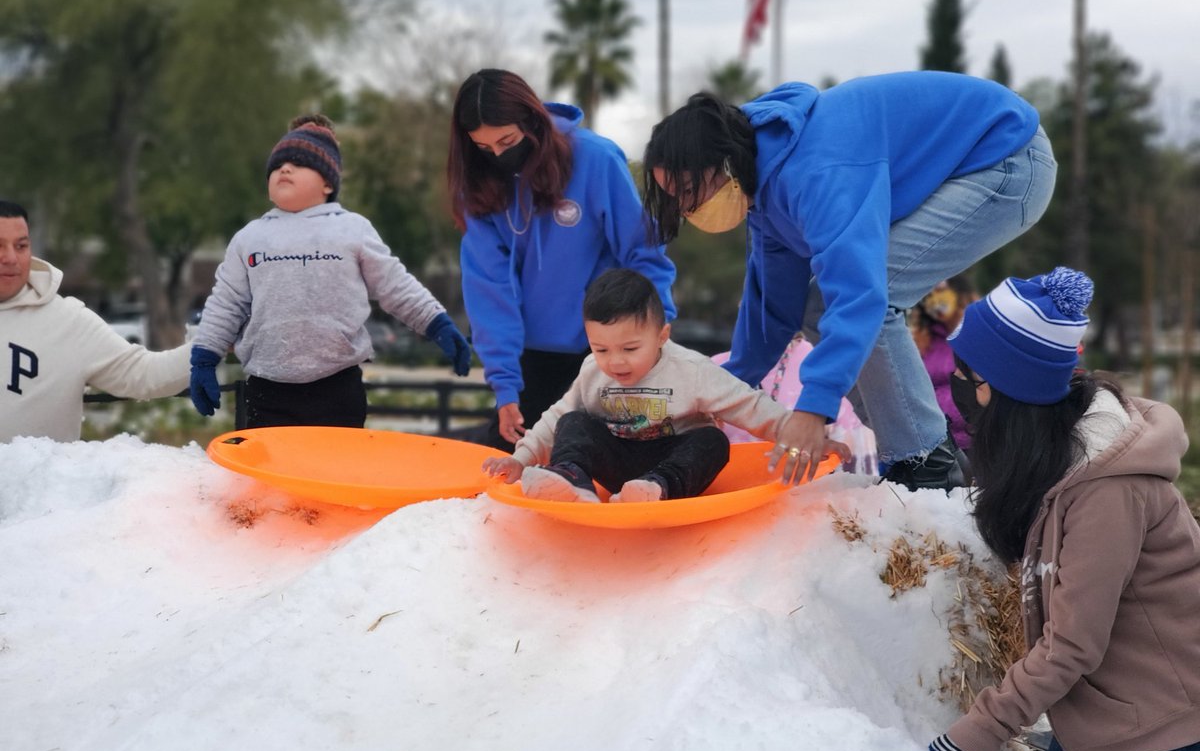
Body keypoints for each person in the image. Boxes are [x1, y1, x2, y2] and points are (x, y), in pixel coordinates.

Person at [641, 71, 1058, 491]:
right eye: (675, 197)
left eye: (690, 190)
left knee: (877, 297)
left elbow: (860, 296)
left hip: (1007, 161)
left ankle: (927, 463)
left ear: (725, 160)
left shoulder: (819, 169)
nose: (686, 206)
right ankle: (919, 456)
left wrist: (813, 409)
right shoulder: (763, 193)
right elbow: (773, 309)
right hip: (972, 163)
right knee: (820, 311)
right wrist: (723, 391)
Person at [926, 267, 1200, 751]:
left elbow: (1074, 642)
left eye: (967, 375)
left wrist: (980, 732)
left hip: (1168, 720)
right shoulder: (1054, 458)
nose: (956, 386)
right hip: (1101, 714)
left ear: (1001, 392)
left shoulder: (1105, 491)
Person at [190, 114, 471, 429]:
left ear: (327, 182)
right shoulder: (248, 238)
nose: (284, 169)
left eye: (298, 164)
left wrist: (437, 324)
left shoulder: (351, 229)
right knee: (270, 477)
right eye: (277, 166)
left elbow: (395, 286)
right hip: (267, 389)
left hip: (337, 387)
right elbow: (226, 303)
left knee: (334, 474)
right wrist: (204, 357)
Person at [448, 69, 677, 453]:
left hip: (608, 347)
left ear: (531, 121)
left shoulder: (595, 159)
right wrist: (504, 386)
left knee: (617, 457)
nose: (500, 155)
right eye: (485, 148)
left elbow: (643, 252)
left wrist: (654, 334)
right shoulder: (477, 183)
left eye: (507, 140)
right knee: (514, 460)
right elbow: (489, 289)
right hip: (532, 359)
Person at [482, 268, 847, 502]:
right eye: (601, 348)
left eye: (629, 348)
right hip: (618, 458)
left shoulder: (689, 369)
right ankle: (570, 480)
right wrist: (521, 459)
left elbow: (748, 405)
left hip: (673, 463)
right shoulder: (593, 371)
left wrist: (804, 435)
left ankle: (655, 489)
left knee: (713, 441)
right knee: (572, 422)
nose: (615, 361)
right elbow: (556, 416)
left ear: (661, 336)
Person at [0, 200, 190, 442]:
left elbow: (145, 374)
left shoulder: (67, 321)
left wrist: (212, 341)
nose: (11, 258)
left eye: (21, 246)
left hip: (41, 479)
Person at [911, 273, 978, 452]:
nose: (935, 300)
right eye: (929, 294)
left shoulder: (977, 334)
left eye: (940, 291)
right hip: (940, 443)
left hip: (974, 440)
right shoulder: (923, 339)